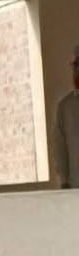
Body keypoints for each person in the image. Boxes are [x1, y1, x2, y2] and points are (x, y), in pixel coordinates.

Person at [52, 44, 79, 189]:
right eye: (75, 65)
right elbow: (59, 148)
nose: (76, 71)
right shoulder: (65, 107)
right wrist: (64, 182)